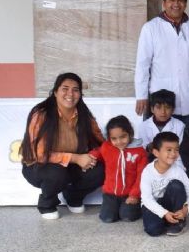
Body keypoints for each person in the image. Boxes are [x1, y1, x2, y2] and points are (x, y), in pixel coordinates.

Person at [20, 73, 105, 219]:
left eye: (75, 89)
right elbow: (39, 154)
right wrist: (76, 158)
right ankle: (47, 204)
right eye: (65, 89)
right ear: (55, 92)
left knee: (101, 170)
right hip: (39, 166)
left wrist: (92, 156)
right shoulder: (41, 114)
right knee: (57, 173)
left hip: (72, 165)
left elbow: (101, 142)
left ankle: (73, 197)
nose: (70, 94)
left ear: (80, 94)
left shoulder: (85, 115)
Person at [88, 115, 147, 223]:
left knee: (127, 217)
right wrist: (91, 156)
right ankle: (114, 208)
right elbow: (99, 152)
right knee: (107, 218)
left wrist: (134, 194)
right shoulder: (107, 147)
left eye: (123, 137)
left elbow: (141, 175)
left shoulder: (139, 152)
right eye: (114, 139)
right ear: (109, 138)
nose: (119, 142)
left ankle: (135, 207)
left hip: (129, 194)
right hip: (110, 193)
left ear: (130, 134)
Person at [140, 132, 189, 236]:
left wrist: (185, 210)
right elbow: (147, 199)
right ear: (156, 152)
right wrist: (164, 213)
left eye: (176, 150)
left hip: (170, 204)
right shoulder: (147, 171)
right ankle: (167, 219)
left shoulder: (179, 171)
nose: (173, 154)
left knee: (176, 185)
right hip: (152, 204)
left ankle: (178, 221)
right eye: (169, 150)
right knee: (154, 230)